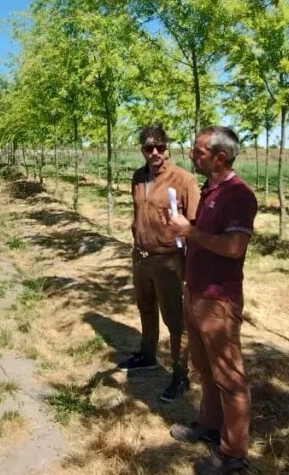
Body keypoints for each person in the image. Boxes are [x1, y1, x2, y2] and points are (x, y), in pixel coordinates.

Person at [165, 126, 258, 475]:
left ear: (220, 157)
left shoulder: (238, 195)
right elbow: (206, 236)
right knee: (205, 368)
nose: (192, 155)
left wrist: (189, 231)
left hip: (218, 299)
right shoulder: (210, 190)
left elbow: (234, 248)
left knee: (229, 376)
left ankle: (233, 454)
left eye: (199, 151)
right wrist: (182, 228)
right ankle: (209, 423)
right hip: (196, 290)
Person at [118, 124, 200, 402]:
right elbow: (137, 212)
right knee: (146, 309)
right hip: (141, 256)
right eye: (148, 148)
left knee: (175, 319)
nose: (154, 152)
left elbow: (194, 224)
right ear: (141, 150)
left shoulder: (184, 180)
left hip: (168, 261)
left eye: (160, 147)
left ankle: (180, 374)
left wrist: (190, 266)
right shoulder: (138, 177)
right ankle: (147, 354)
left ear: (168, 148)